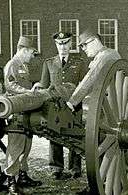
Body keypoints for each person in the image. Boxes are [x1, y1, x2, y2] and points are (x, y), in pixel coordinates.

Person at [33, 32, 87, 179]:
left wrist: (75, 100)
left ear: (71, 44)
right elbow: (44, 86)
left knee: (75, 133)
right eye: (59, 44)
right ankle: (56, 167)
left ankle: (75, 167)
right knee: (54, 133)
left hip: (74, 104)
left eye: (66, 43)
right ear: (56, 45)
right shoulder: (49, 63)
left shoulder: (80, 62)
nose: (63, 47)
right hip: (54, 106)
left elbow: (84, 85)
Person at [2, 36, 42, 192]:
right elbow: (10, 85)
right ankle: (11, 179)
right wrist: (28, 92)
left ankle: (23, 175)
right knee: (15, 145)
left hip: (26, 109)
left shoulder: (24, 66)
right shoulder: (12, 64)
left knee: (26, 144)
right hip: (15, 109)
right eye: (32, 53)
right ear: (23, 50)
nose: (32, 56)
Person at [66, 29, 121, 112]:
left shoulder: (104, 56)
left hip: (112, 105)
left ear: (95, 41)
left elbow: (90, 79)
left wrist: (72, 102)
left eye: (84, 45)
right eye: (81, 46)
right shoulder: (112, 53)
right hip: (115, 99)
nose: (83, 49)